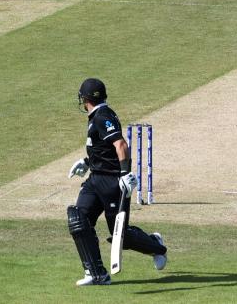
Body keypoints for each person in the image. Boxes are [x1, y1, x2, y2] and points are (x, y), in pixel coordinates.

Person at [67, 78, 167, 286]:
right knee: (79, 219)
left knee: (120, 235)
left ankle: (156, 245)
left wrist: (124, 174)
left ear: (85, 99)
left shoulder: (103, 116)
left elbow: (121, 144)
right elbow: (104, 149)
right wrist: (87, 162)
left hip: (112, 182)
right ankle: (96, 273)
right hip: (95, 179)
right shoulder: (97, 116)